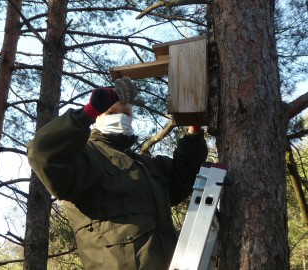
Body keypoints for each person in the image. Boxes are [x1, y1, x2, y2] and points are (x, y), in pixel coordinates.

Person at [27, 85, 208, 270]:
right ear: (97, 118)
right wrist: (87, 113)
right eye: (111, 112)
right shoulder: (83, 158)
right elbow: (42, 152)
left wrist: (194, 130)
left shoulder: (145, 165)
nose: (121, 117)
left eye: (127, 113)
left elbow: (182, 175)